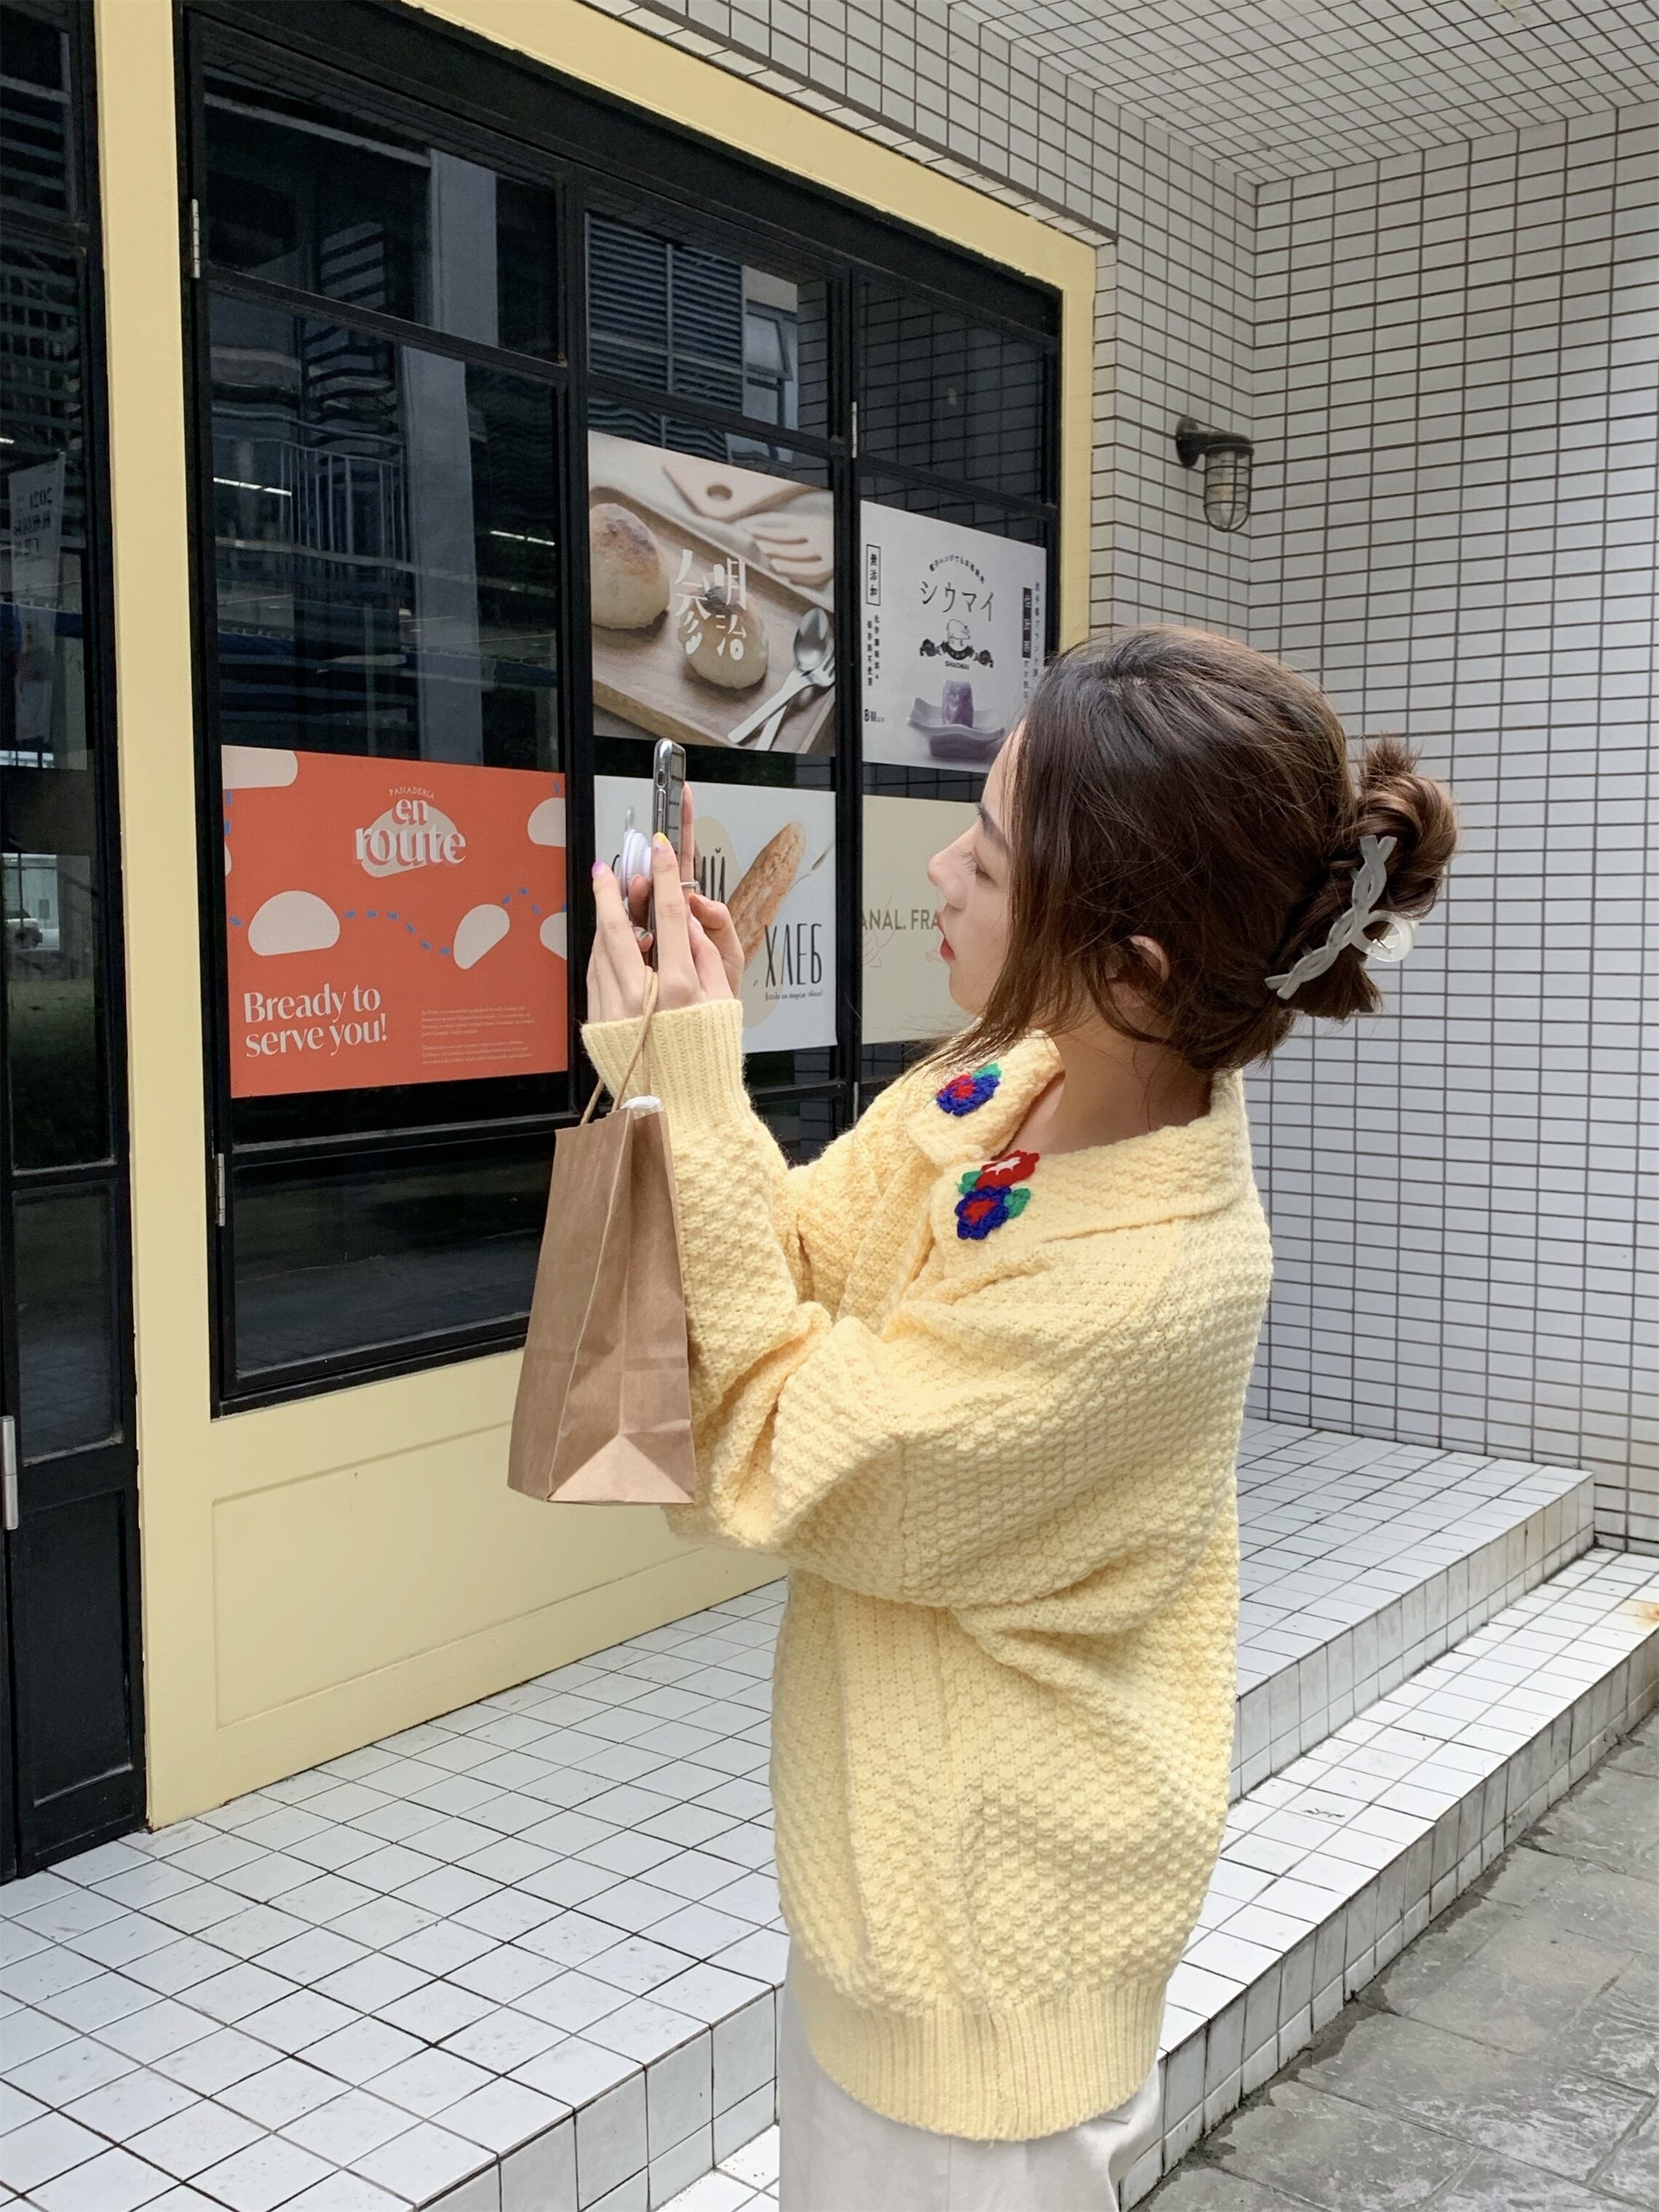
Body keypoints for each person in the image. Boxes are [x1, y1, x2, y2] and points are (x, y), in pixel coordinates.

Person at [583, 626, 1458, 2211]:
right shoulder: (1013, 1084)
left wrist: (691, 1085)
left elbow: (774, 1448)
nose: (943, 870)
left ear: (1134, 965)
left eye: (989, 855)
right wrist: (681, 1055)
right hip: (893, 1927)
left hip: (985, 1991)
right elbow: (793, 1253)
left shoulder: (1146, 1285)